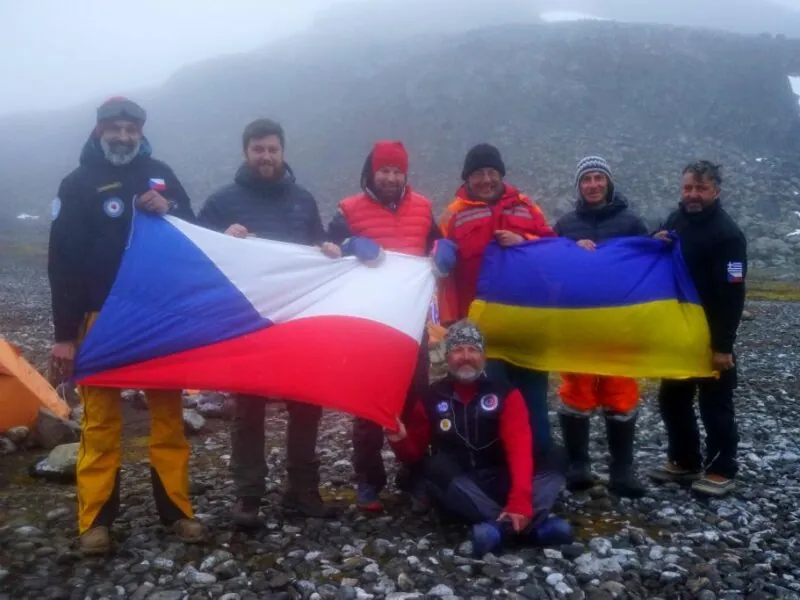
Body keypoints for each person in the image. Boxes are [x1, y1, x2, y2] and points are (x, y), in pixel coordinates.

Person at [48, 96, 205, 554]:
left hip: (158, 317)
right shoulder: (76, 183)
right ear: (99, 131)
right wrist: (63, 335)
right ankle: (95, 521)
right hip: (98, 318)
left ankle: (177, 511)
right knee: (99, 423)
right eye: (113, 128)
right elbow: (63, 262)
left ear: (140, 132)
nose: (122, 136)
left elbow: (193, 230)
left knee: (168, 419)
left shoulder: (161, 174)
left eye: (129, 129)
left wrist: (168, 207)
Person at [197, 118, 333, 523]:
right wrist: (224, 236)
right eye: (258, 149)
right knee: (248, 411)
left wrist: (325, 248)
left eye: (273, 149)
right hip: (248, 323)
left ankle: (302, 491)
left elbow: (316, 244)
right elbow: (199, 249)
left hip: (297, 322)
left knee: (307, 407)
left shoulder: (303, 200)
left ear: (283, 152)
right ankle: (249, 496)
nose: (266, 156)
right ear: (246, 153)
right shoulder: (222, 201)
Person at [323, 140, 456, 512]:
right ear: (372, 171)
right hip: (369, 326)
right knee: (368, 405)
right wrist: (351, 243)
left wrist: (446, 250)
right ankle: (368, 480)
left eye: (397, 171)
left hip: (411, 327)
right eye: (384, 170)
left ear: (405, 174)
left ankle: (413, 474)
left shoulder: (423, 207)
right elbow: (327, 246)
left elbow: (438, 244)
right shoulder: (348, 209)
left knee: (414, 403)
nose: (391, 178)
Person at [388, 320, 573, 557]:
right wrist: (399, 439)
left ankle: (500, 528)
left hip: (502, 478)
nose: (466, 356)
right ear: (447, 355)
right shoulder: (431, 397)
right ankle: (533, 529)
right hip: (464, 486)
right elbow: (413, 454)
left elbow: (520, 448)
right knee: (431, 467)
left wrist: (520, 500)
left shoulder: (505, 393)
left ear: (483, 356)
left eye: (473, 349)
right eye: (458, 350)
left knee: (556, 456)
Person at [438, 144, 556, 456]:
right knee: (490, 403)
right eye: (479, 173)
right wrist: (452, 322)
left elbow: (553, 248)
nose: (487, 179)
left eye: (493, 172)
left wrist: (524, 242)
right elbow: (443, 275)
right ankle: (496, 468)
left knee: (534, 402)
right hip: (481, 331)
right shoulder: (453, 215)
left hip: (528, 326)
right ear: (467, 178)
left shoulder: (526, 206)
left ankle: (539, 467)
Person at [649, 160, 747, 497]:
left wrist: (723, 346)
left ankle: (722, 469)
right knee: (672, 399)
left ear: (715, 191)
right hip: (679, 333)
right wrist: (654, 239)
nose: (693, 195)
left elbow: (734, 293)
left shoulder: (729, 235)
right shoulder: (677, 219)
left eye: (701, 188)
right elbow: (659, 248)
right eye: (688, 187)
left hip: (711, 335)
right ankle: (685, 460)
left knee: (714, 405)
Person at [553, 156, 648, 498]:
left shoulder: (631, 222)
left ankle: (622, 469)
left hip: (620, 324)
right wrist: (570, 250)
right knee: (576, 390)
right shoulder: (565, 225)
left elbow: (648, 264)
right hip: (576, 322)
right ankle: (579, 464)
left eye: (598, 178)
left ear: (608, 183)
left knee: (620, 392)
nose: (592, 184)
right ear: (579, 185)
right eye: (586, 179)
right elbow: (551, 263)